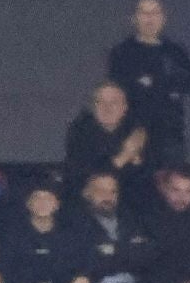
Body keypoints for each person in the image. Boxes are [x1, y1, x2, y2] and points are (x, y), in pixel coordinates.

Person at [108, 0, 190, 166]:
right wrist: (163, 85)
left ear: (163, 18)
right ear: (134, 18)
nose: (150, 19)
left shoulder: (175, 52)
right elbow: (121, 88)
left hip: (170, 134)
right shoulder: (122, 53)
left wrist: (153, 82)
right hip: (133, 133)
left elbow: (189, 83)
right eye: (144, 13)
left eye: (154, 13)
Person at [0, 179, 90, 283]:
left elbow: (79, 268)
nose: (43, 203)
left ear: (57, 204)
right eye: (37, 198)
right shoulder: (13, 234)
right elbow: (4, 270)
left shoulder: (70, 235)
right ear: (28, 204)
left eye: (48, 199)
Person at [64, 82, 154, 212]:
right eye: (100, 102)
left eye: (114, 102)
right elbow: (85, 176)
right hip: (87, 208)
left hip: (131, 207)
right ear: (93, 107)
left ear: (125, 107)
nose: (107, 108)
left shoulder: (136, 132)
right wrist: (124, 157)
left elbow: (146, 175)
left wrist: (136, 161)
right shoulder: (80, 132)